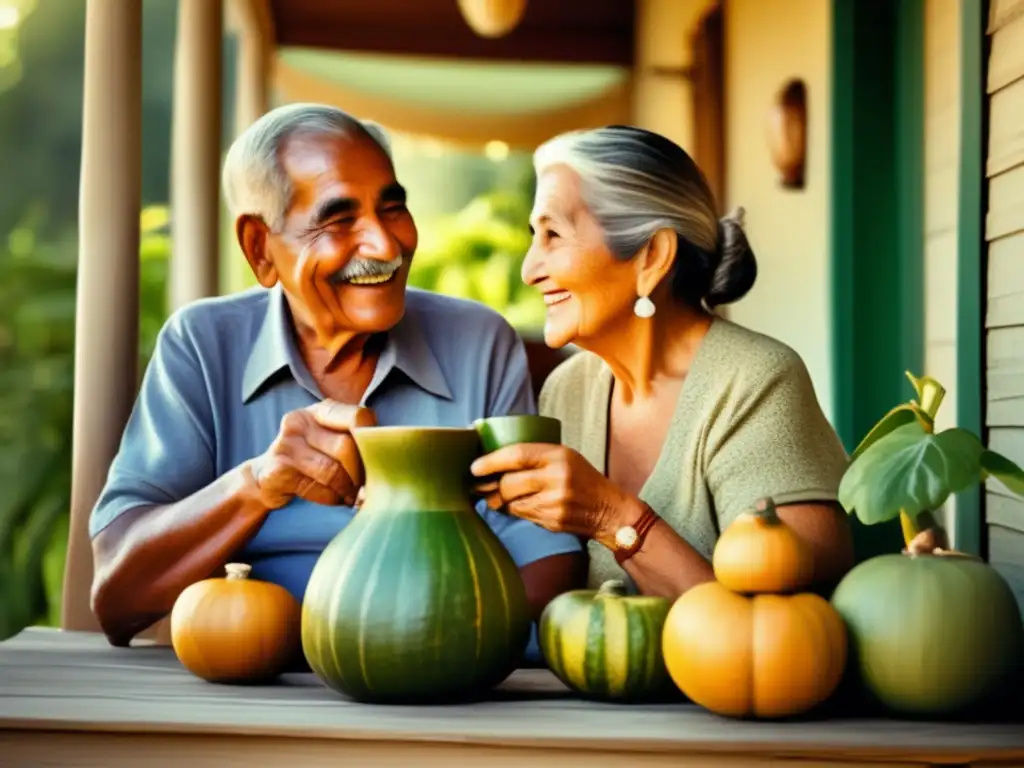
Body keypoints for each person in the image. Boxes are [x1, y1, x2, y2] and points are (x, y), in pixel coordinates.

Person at [89, 104, 583, 648]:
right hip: (246, 686)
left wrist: (410, 637)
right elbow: (117, 598)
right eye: (339, 219)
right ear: (260, 247)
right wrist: (259, 484)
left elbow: (546, 557)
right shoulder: (202, 345)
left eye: (392, 208)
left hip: (435, 680)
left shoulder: (478, 342)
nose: (386, 245)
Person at [471, 125, 854, 598]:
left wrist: (612, 516)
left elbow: (779, 635)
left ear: (652, 256)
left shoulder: (755, 383)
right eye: (535, 236)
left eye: (553, 234)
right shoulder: (567, 391)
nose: (530, 269)